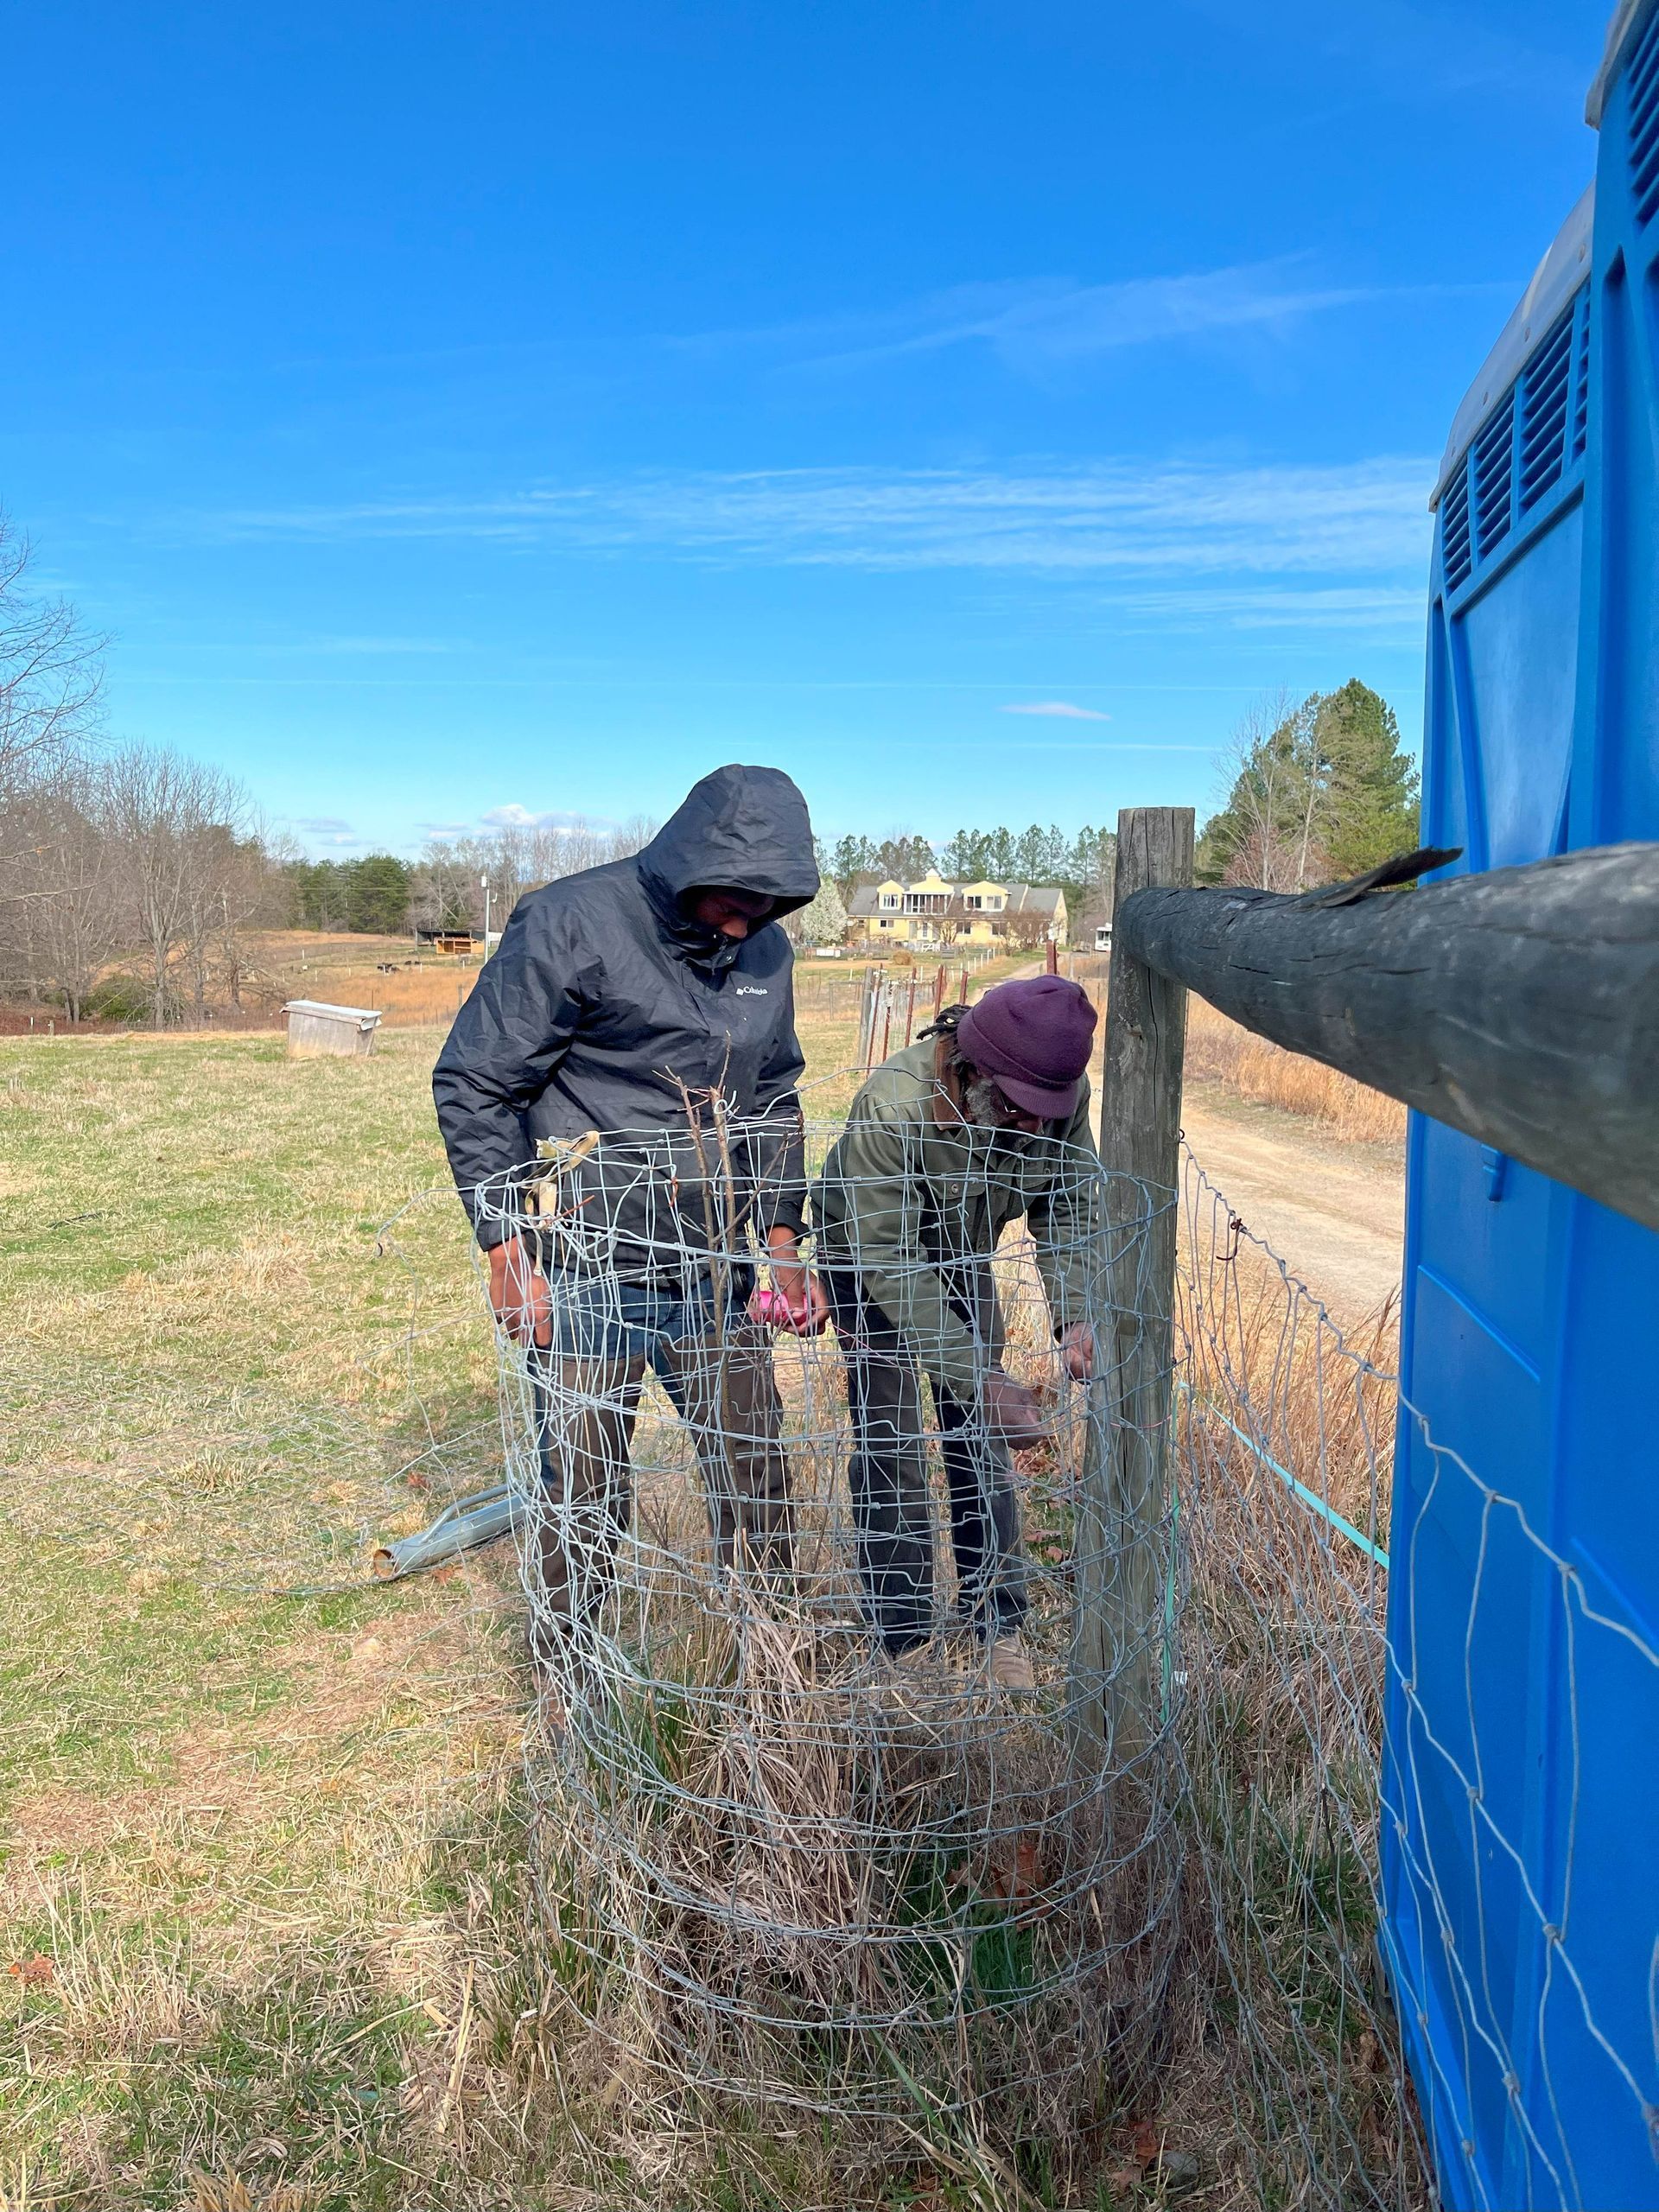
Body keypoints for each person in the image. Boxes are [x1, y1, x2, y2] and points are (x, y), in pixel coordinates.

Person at [431, 764, 828, 1657]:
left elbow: (773, 1095)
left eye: (769, 903)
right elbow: (476, 1080)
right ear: (689, 859)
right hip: (587, 1262)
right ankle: (576, 1688)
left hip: (711, 1265)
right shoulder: (572, 921)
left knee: (756, 1471)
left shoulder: (765, 948)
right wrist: (505, 1250)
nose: (744, 919)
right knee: (583, 1492)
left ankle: (772, 1674)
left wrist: (781, 1242)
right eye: (731, 896)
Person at [811, 976, 1101, 1689]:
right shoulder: (893, 1106)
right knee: (892, 1442)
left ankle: (997, 1625)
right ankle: (903, 1641)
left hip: (962, 1250)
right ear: (971, 1067)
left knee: (978, 1437)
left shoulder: (1056, 1091)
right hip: (868, 1257)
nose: (1033, 1125)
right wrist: (980, 1376)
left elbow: (1066, 1203)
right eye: (1014, 1108)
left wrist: (1076, 1314)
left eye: (1046, 1112)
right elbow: (890, 1260)